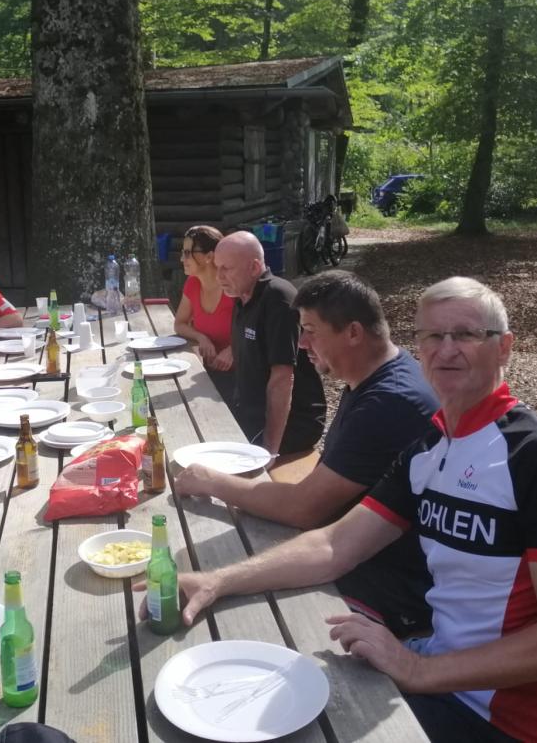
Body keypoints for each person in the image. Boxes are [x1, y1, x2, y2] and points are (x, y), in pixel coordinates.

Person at [144, 277, 537, 743]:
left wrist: (417, 668)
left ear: (503, 348)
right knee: (249, 689)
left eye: (466, 334)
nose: (446, 350)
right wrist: (217, 581)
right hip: (432, 669)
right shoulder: (430, 446)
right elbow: (334, 544)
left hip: (506, 721)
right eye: (432, 336)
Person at [174, 269, 437, 636]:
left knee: (233, 620)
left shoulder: (389, 402)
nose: (301, 343)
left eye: (311, 330)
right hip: (347, 546)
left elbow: (304, 508)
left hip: (392, 588)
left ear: (353, 332)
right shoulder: (378, 376)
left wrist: (211, 481)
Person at [213, 231, 324, 454]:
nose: (218, 277)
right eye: (217, 268)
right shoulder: (243, 296)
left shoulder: (278, 297)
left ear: (254, 267)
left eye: (227, 268)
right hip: (250, 413)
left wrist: (270, 449)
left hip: (292, 423)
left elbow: (283, 378)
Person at [172, 225, 235, 403]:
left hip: (241, 378)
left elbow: (258, 329)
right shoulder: (193, 283)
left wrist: (235, 350)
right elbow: (179, 324)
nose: (182, 259)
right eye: (182, 253)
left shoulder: (233, 286)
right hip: (207, 373)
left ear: (209, 257)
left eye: (187, 253)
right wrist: (201, 338)